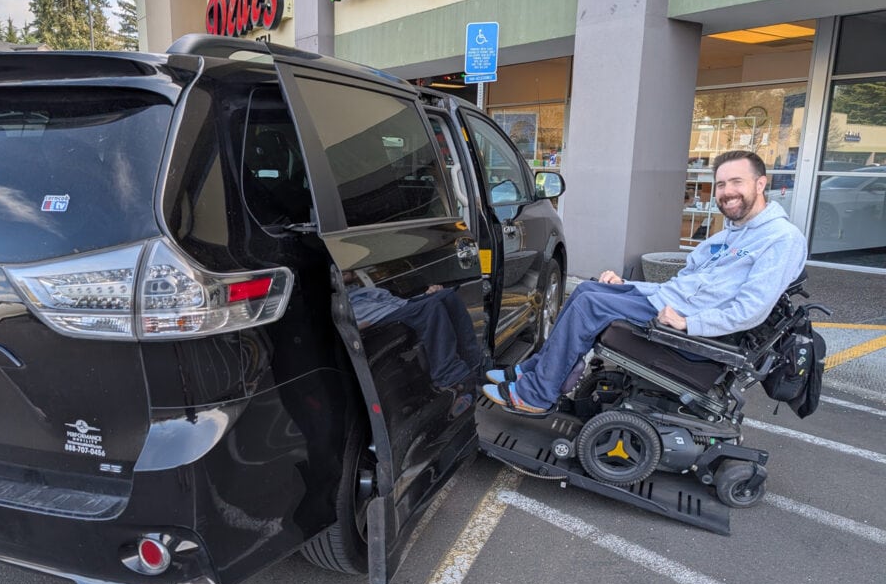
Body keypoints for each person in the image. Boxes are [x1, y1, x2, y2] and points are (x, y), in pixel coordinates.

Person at [483, 149, 808, 416]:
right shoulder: (729, 235)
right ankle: (536, 369)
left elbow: (751, 309)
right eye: (721, 184)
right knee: (587, 289)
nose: (726, 192)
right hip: (670, 303)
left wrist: (690, 323)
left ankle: (537, 394)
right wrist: (627, 284)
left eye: (736, 182)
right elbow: (682, 286)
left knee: (589, 304)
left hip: (694, 330)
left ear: (760, 183)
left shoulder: (781, 238)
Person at [344, 272, 481, 392]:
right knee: (430, 308)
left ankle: (474, 363)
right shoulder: (337, 298)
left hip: (396, 307)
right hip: (377, 318)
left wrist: (427, 295)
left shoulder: (358, 289)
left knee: (447, 295)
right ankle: (449, 376)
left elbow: (398, 302)